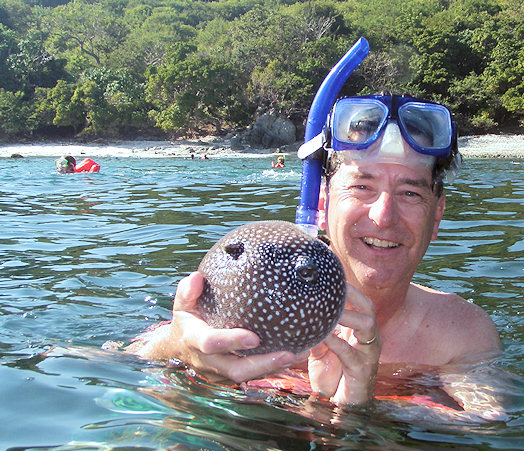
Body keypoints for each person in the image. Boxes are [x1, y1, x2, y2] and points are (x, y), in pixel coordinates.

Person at [126, 94, 500, 409]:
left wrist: (359, 410)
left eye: (411, 193)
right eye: (361, 188)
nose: (384, 217)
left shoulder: (462, 335)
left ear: (436, 217)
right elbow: (120, 361)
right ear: (322, 203)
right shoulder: (252, 292)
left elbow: (480, 438)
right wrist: (181, 346)